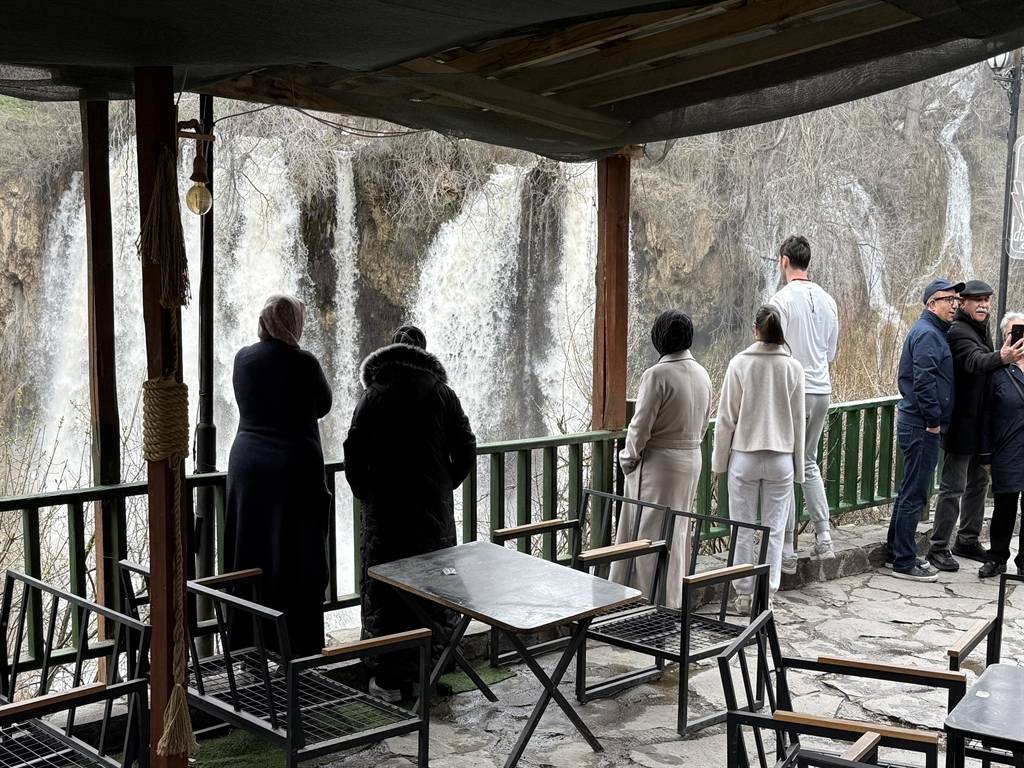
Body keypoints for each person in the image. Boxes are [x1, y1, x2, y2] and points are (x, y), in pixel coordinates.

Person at [344, 325, 476, 701]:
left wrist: (367, 493)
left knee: (386, 592)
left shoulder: (373, 396)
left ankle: (388, 680)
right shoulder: (442, 394)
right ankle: (427, 675)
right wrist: (443, 486)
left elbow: (354, 452)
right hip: (430, 516)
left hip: (385, 514)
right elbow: (467, 447)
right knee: (430, 590)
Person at [224, 294, 333, 656]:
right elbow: (324, 404)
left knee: (251, 554)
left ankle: (248, 648)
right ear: (292, 323)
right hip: (293, 474)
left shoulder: (243, 358)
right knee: (296, 559)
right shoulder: (304, 363)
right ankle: (298, 650)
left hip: (247, 472)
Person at [610, 310, 712, 607]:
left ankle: (642, 602)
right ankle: (671, 601)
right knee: (677, 532)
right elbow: (704, 424)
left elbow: (640, 426)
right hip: (690, 460)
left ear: (660, 338)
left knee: (648, 533)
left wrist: (628, 460)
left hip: (659, 465)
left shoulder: (656, 375)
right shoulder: (702, 374)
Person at [712, 305, 805, 611]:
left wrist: (718, 463)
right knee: (774, 530)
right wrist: (799, 468)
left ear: (756, 330)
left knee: (742, 528)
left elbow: (726, 419)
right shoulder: (793, 368)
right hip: (781, 459)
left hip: (744, 457)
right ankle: (767, 595)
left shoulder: (739, 364)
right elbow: (799, 421)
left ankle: (742, 593)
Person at [928, 281, 1024, 572]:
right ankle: (938, 547)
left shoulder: (981, 330)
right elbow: (974, 361)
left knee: (978, 485)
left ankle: (967, 540)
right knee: (953, 487)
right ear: (963, 303)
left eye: (986, 300)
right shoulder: (959, 331)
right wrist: (1002, 357)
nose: (983, 304)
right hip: (961, 423)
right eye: (976, 300)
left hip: (981, 425)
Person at [768, 235, 840, 573]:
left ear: (784, 260)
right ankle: (824, 536)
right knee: (808, 462)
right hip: (821, 389)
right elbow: (831, 352)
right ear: (806, 262)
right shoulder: (828, 300)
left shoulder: (780, 301)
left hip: (792, 389)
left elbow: (775, 351)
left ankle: (787, 552)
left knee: (786, 465)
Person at [886, 278, 963, 582]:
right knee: (915, 493)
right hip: (921, 424)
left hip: (917, 421)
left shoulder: (931, 331)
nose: (954, 305)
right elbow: (924, 381)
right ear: (932, 303)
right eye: (948, 300)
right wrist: (933, 421)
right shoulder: (929, 334)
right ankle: (904, 561)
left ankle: (895, 552)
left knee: (909, 490)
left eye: (956, 300)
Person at [978, 312, 1024, 578]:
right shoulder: (996, 372)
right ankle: (997, 557)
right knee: (1004, 506)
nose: (1017, 340)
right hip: (1006, 447)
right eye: (1012, 334)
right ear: (1005, 338)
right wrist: (985, 452)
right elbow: (985, 415)